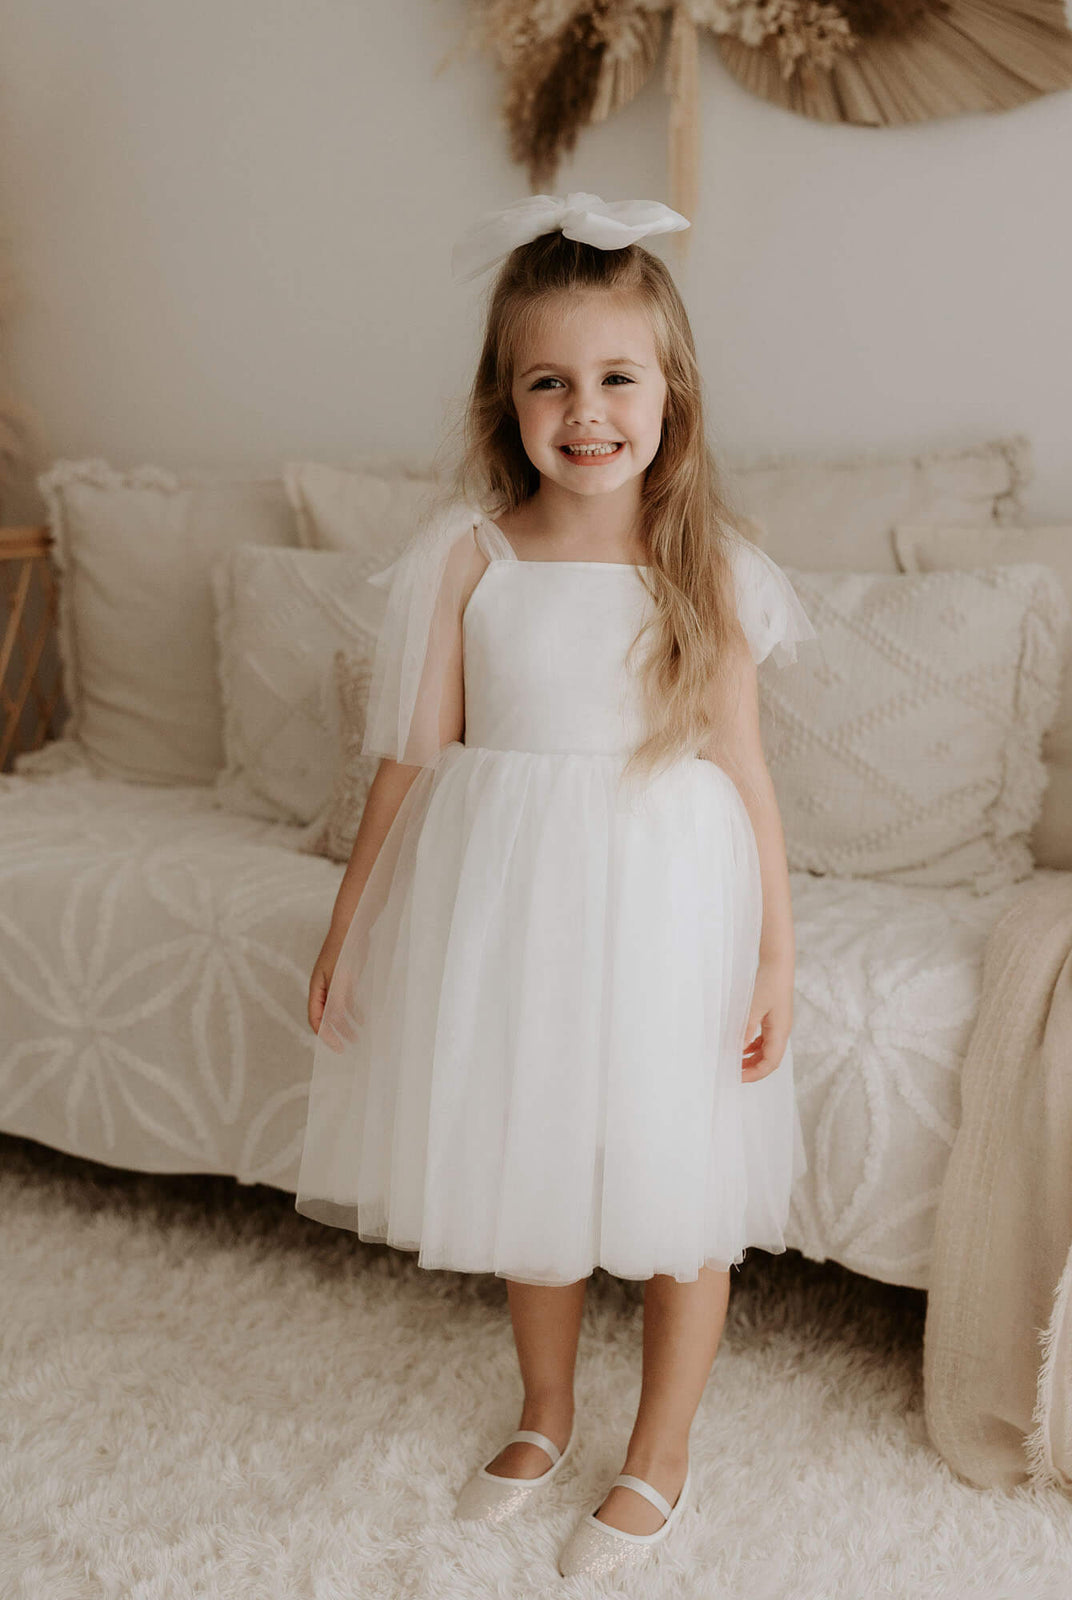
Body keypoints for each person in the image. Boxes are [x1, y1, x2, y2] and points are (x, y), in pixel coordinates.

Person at [294, 192, 818, 1579]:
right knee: (533, 1160)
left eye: (616, 378)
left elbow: (751, 778)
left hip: (667, 907)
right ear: (507, 398)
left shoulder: (702, 564)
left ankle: (662, 1451)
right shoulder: (471, 557)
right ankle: (543, 1411)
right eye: (550, 381)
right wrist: (350, 931)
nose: (586, 411)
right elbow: (411, 764)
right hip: (515, 901)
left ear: (670, 393)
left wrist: (775, 957)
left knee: (673, 1173)